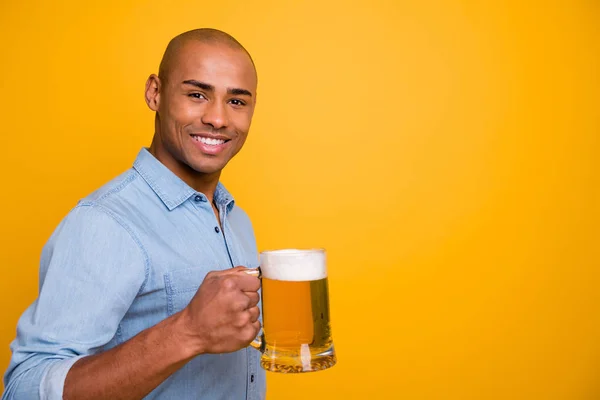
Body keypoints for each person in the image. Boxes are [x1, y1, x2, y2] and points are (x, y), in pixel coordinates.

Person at [2, 28, 266, 400]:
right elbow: (24, 389)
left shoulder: (237, 220)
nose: (218, 119)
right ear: (154, 93)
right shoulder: (105, 222)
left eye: (237, 102)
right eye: (196, 94)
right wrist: (186, 332)